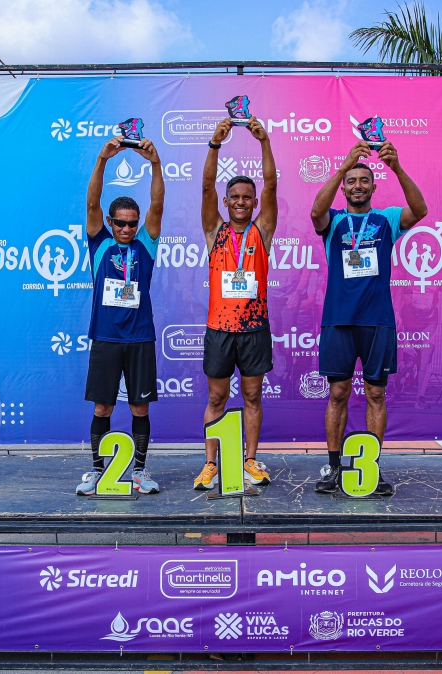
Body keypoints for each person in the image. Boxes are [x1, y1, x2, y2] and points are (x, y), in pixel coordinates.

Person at [309, 139, 428, 494]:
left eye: (364, 181)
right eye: (352, 181)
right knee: (338, 393)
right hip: (339, 320)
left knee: (376, 394)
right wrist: (344, 166)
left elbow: (419, 209)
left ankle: (371, 469)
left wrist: (397, 168)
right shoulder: (334, 221)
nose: (357, 185)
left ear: (374, 188)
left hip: (378, 321)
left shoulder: (386, 219)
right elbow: (315, 211)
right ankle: (334, 469)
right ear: (344, 187)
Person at [75, 136, 164, 496]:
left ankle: (139, 472)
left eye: (132, 224)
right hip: (106, 337)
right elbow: (92, 202)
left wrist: (155, 163)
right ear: (111, 222)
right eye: (121, 223)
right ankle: (99, 472)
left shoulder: (146, 244)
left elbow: (157, 203)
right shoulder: (99, 244)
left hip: (140, 338)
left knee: (140, 408)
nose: (127, 229)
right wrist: (102, 159)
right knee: (103, 408)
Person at [193, 117, 277, 491]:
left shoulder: (262, 231)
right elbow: (206, 186)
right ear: (226, 202)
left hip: (255, 328)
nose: (241, 202)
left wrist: (264, 142)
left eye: (247, 197)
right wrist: (214, 144)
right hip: (220, 330)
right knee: (216, 397)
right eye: (235, 197)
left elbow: (272, 184)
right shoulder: (215, 232)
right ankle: (210, 464)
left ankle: (249, 460)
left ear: (254, 202)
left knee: (253, 395)